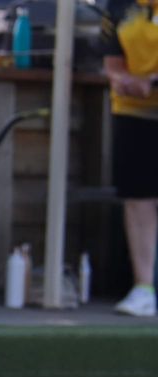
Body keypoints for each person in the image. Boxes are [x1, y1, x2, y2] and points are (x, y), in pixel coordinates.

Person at [102, 0, 158, 317]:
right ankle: (143, 287)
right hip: (133, 110)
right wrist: (121, 78)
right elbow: (112, 60)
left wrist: (152, 80)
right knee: (138, 196)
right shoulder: (118, 5)